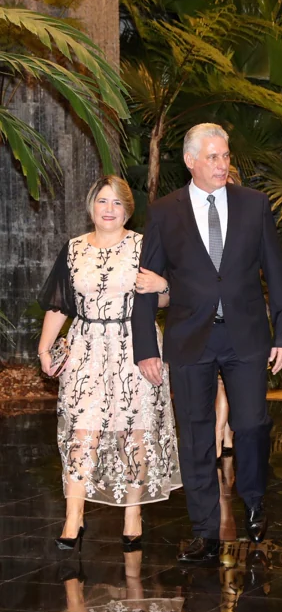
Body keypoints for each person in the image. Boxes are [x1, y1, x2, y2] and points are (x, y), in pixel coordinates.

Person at [132, 123, 282, 563]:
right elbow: (146, 283)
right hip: (190, 338)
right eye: (212, 157)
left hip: (245, 336)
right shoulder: (165, 212)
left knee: (252, 425)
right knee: (196, 436)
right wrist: (146, 346)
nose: (222, 165)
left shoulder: (254, 205)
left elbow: (276, 272)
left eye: (225, 156)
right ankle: (204, 529)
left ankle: (256, 503)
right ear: (190, 161)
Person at [37, 176, 182, 552]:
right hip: (85, 347)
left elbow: (165, 298)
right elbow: (59, 305)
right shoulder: (73, 249)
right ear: (91, 206)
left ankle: (132, 514)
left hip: (135, 347)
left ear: (127, 210)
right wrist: (44, 349)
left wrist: (162, 287)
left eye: (117, 203)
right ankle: (73, 518)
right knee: (82, 432)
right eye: (102, 201)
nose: (109, 209)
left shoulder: (143, 246)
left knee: (133, 433)